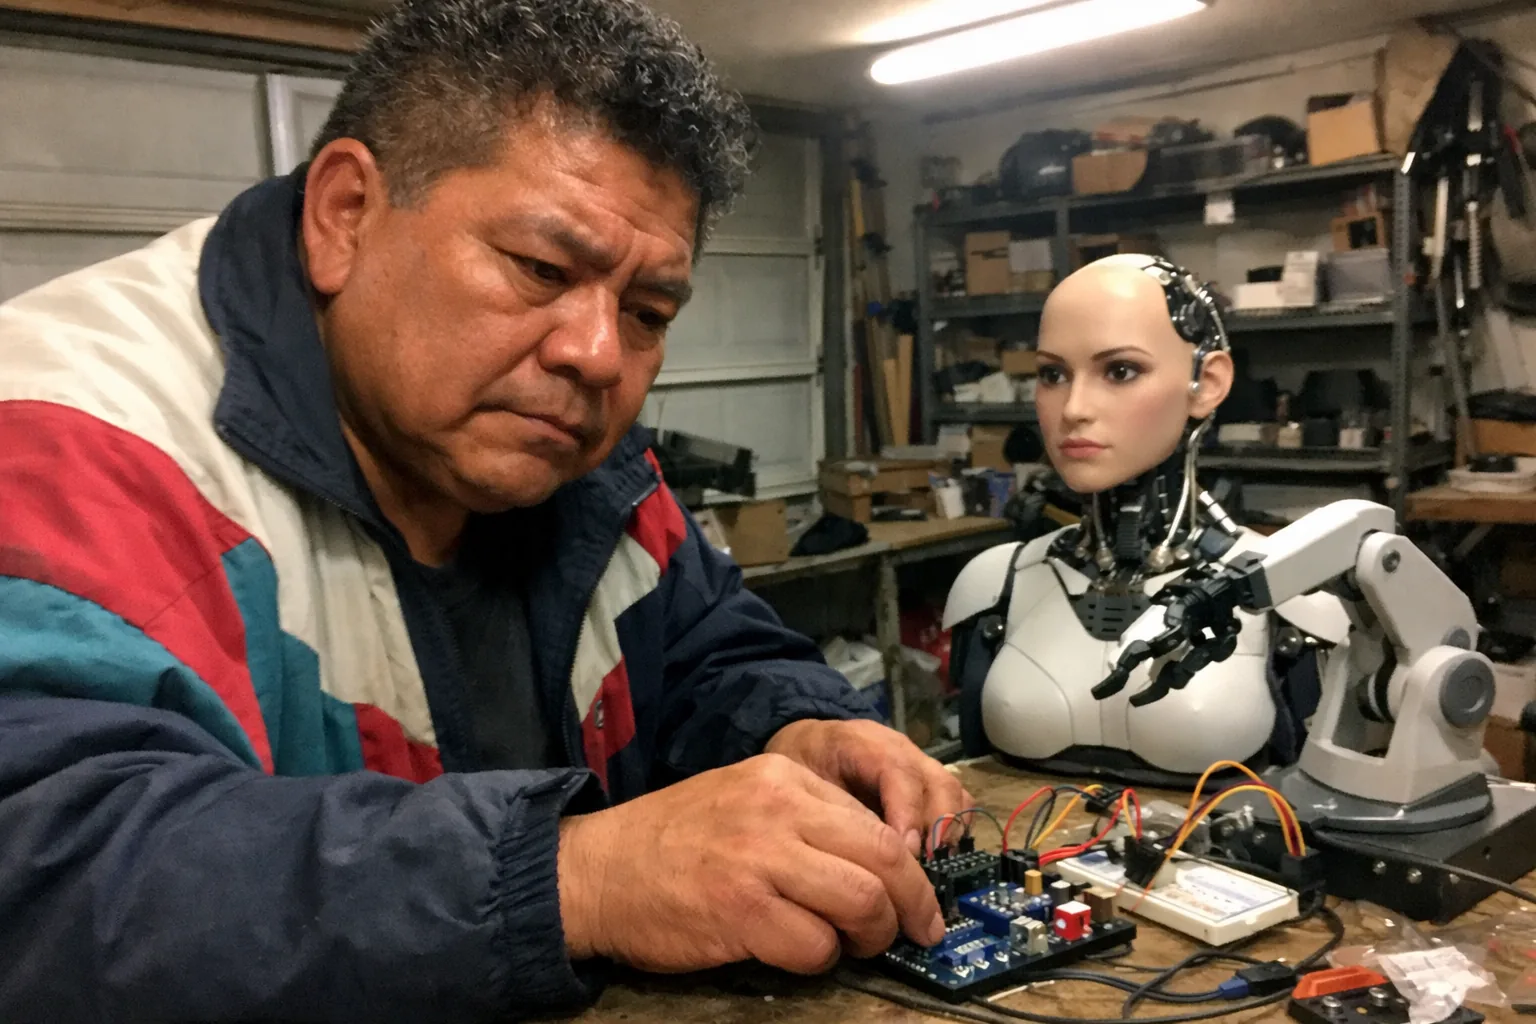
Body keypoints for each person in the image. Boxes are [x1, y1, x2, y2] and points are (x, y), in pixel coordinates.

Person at [0, 2, 968, 1020]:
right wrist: (574, 876)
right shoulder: (72, 443)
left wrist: (795, 725)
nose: (596, 353)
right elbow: (49, 878)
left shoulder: (577, 461)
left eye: (646, 312)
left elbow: (707, 649)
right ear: (345, 215)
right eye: (543, 269)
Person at [943, 255, 1346, 786]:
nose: (1073, 408)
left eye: (1120, 371)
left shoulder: (1289, 595)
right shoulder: (995, 587)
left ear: (1207, 382)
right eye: (1052, 374)